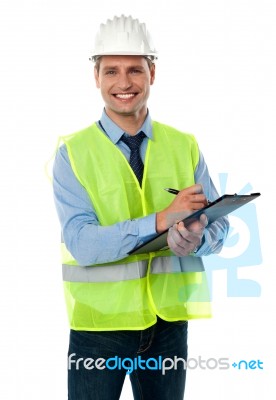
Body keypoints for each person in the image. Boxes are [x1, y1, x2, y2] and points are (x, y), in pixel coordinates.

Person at [53, 15, 229, 400]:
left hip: (168, 324)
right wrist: (163, 220)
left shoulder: (184, 145)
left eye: (135, 70)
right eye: (111, 70)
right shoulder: (73, 153)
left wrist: (195, 239)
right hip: (100, 328)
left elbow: (219, 229)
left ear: (152, 72)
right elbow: (81, 242)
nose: (124, 83)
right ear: (96, 77)